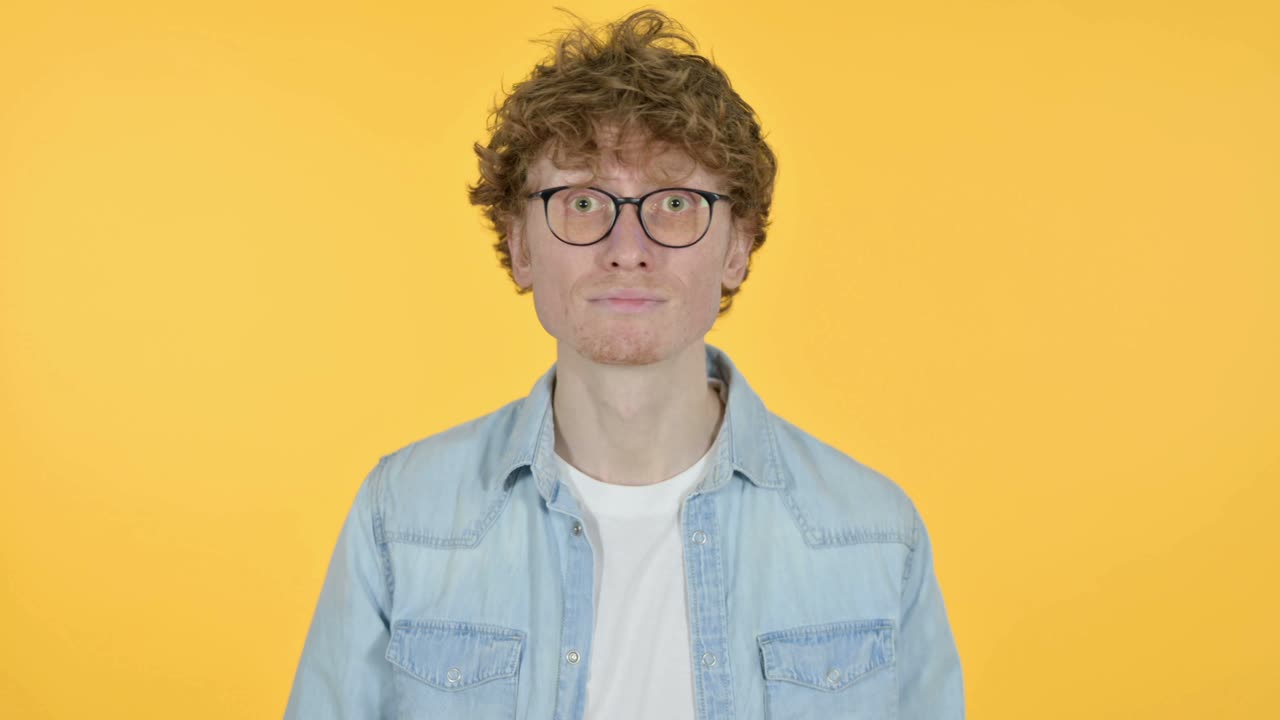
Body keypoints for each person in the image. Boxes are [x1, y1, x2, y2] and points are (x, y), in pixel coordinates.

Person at [283, 9, 963, 719]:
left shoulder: (875, 534)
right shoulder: (402, 518)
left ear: (738, 248)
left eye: (674, 202)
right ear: (519, 245)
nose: (628, 248)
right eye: (582, 201)